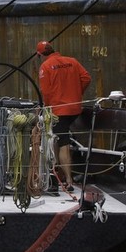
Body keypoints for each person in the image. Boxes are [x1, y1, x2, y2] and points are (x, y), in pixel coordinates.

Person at [36, 40, 92, 191]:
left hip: (59, 110)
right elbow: (86, 78)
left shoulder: (45, 66)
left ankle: (68, 180)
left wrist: (47, 108)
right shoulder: (72, 61)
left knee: (63, 144)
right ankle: (57, 173)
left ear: (40, 55)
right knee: (58, 138)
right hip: (74, 109)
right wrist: (76, 94)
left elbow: (46, 92)